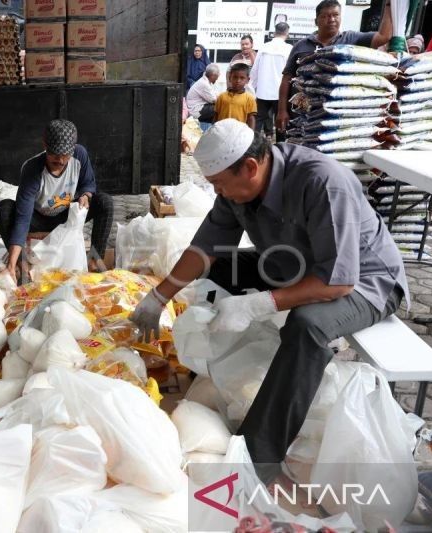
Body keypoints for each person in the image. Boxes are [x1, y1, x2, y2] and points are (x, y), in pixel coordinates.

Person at [130, 119, 409, 477]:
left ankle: (259, 456)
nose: (219, 193)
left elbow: (338, 281)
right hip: (293, 264)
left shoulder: (322, 181)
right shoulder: (238, 188)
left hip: (366, 282)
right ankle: (224, 365)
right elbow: (204, 248)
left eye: (220, 185)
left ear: (250, 167)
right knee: (218, 268)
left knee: (306, 326)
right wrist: (158, 297)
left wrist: (258, 305)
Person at [0, 119, 114, 282]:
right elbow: (23, 218)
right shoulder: (32, 169)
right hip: (38, 219)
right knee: (4, 208)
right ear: (45, 145)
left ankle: (95, 260)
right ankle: (19, 267)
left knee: (105, 202)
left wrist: (85, 195)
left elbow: (88, 183)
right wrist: (10, 263)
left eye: (65, 155)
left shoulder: (80, 155)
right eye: (54, 155)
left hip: (65, 215)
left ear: (73, 149)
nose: (60, 160)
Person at [277, 0, 392, 134]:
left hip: (339, 112)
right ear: (316, 21)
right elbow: (287, 79)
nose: (331, 19)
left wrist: (389, 6)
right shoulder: (301, 46)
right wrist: (282, 110)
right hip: (304, 111)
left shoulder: (352, 39)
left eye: (335, 15)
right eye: (325, 16)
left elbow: (383, 37)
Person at [251, 23, 292, 139]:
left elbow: (255, 70)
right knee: (281, 123)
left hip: (262, 92)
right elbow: (291, 73)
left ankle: (254, 147)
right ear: (287, 33)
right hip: (280, 94)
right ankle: (280, 149)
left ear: (275, 32)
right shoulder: (288, 49)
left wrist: (251, 89)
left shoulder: (264, 47)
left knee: (257, 122)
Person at [215, 63, 257, 129]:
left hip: (239, 134)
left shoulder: (249, 99)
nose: (238, 81)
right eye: (235, 77)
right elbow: (216, 115)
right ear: (229, 78)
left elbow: (251, 118)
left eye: (242, 78)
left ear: (247, 80)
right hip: (221, 132)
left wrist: (251, 134)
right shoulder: (221, 97)